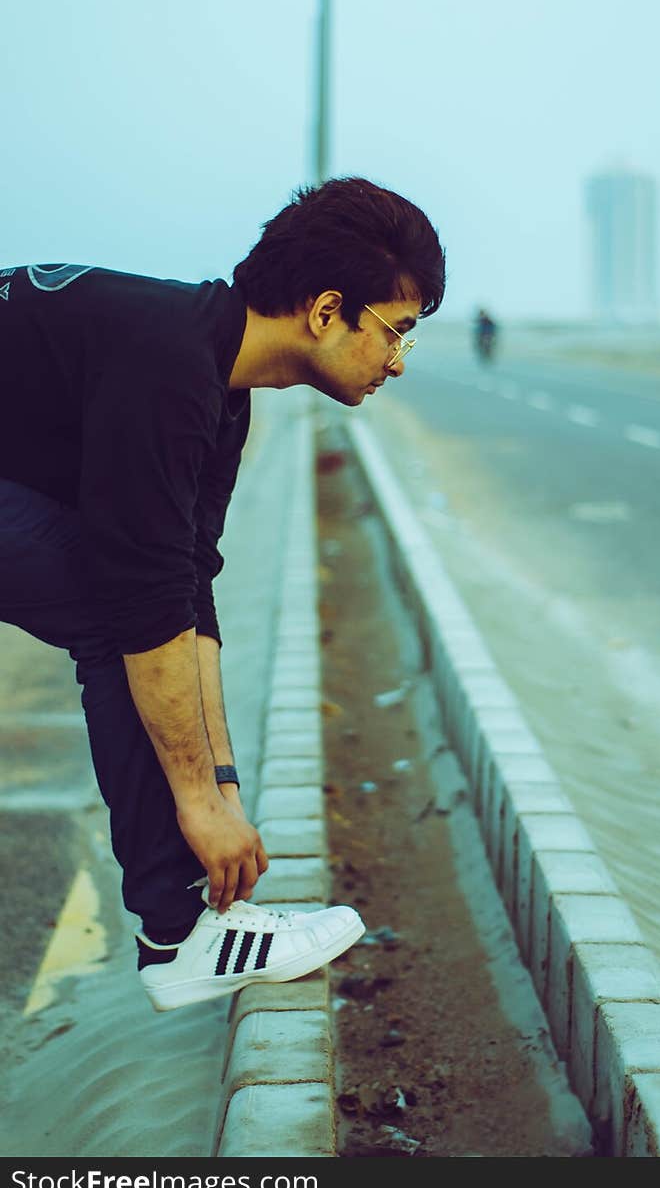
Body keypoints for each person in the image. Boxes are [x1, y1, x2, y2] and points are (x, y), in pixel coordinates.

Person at [0, 176, 446, 1011]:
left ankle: (186, 929)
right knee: (112, 612)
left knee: (138, 600)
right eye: (397, 331)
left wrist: (222, 786)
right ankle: (178, 937)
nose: (398, 362)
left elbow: (185, 590)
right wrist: (196, 805)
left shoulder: (214, 378)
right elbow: (143, 605)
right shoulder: (168, 366)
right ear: (324, 311)